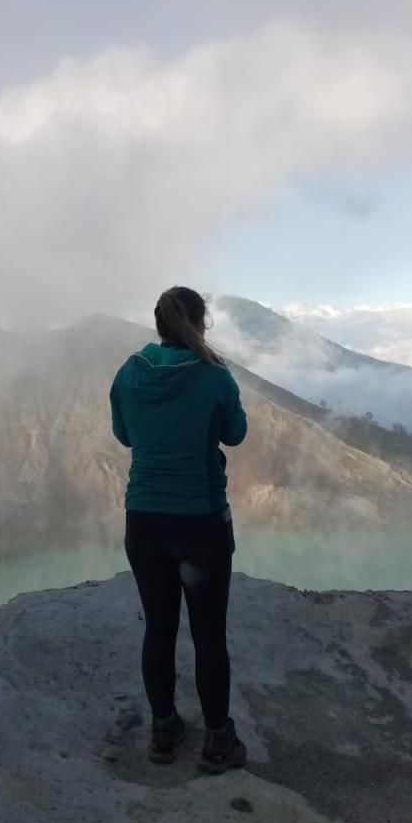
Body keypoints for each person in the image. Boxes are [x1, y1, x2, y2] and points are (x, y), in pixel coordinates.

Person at [109, 286, 248, 774]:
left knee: (159, 629)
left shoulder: (129, 373)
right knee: (209, 637)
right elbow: (236, 433)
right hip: (201, 525)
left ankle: (164, 731)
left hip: (143, 523)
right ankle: (216, 743)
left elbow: (125, 435)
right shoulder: (214, 376)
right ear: (200, 324)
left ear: (160, 325)